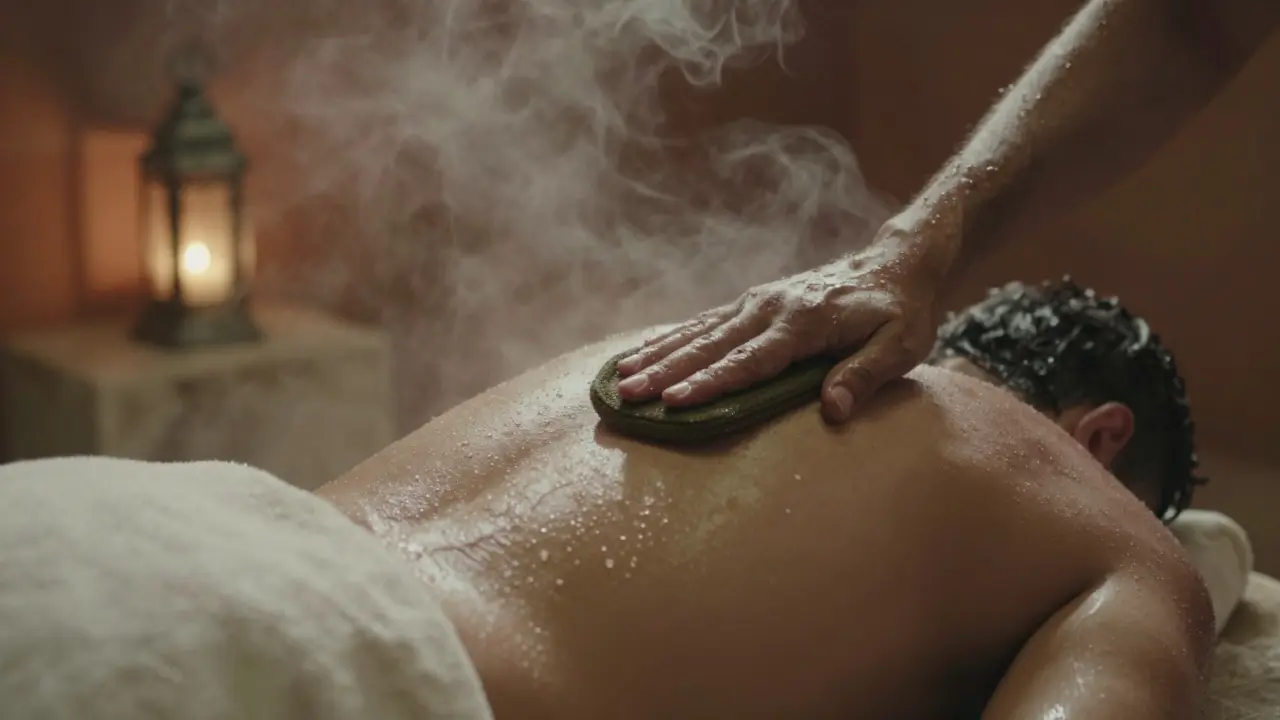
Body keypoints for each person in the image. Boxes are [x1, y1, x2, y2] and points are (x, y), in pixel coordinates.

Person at [316, 279, 1214, 719]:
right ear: (1100, 440)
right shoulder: (1096, 515)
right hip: (385, 690)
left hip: (225, 542)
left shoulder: (706, 340)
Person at [614, 0, 1280, 423]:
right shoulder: (1121, 557)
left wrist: (906, 254)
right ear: (1098, 440)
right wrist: (907, 253)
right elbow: (1188, 20)